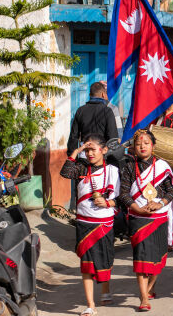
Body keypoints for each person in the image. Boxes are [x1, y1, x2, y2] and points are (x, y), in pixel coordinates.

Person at [118, 130, 173, 311]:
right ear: (133, 148)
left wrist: (160, 204)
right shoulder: (129, 167)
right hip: (138, 219)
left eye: (146, 143)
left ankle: (150, 287)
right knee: (141, 258)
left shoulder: (162, 166)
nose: (142, 146)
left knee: (158, 258)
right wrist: (137, 208)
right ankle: (144, 298)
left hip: (159, 218)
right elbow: (124, 193)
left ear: (153, 145)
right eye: (138, 144)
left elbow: (171, 191)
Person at [60, 134, 120, 316]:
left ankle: (105, 290)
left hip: (104, 222)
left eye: (93, 149)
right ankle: (90, 305)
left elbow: (119, 197)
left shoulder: (112, 170)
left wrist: (108, 203)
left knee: (105, 258)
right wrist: (76, 152)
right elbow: (65, 173)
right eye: (87, 150)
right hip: (84, 222)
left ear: (104, 150)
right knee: (86, 264)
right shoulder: (80, 168)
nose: (90, 153)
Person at [67, 82, 118, 155]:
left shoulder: (80, 110)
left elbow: (73, 136)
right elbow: (112, 136)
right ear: (103, 94)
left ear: (90, 95)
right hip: (101, 155)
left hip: (85, 154)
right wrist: (111, 156)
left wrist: (72, 155)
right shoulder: (107, 111)